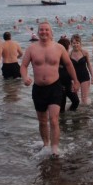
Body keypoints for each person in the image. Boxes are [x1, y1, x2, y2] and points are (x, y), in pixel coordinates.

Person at [20, 22, 80, 158]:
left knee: (53, 120)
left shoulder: (59, 48)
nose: (43, 32)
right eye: (41, 30)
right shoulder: (31, 49)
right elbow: (23, 66)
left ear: (51, 32)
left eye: (46, 30)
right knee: (42, 121)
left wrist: (75, 81)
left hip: (55, 87)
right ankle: (46, 144)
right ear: (38, 32)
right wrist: (25, 77)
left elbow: (69, 65)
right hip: (38, 89)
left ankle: (54, 149)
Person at [70, 34, 93, 105]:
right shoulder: (69, 54)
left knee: (84, 99)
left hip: (85, 77)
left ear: (80, 43)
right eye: (74, 43)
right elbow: (67, 68)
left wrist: (92, 77)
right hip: (74, 78)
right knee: (76, 99)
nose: (75, 45)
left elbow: (89, 65)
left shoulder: (85, 53)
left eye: (77, 43)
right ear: (71, 43)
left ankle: (86, 112)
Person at [58, 37, 80, 112]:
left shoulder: (68, 56)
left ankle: (70, 113)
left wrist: (74, 81)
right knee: (62, 107)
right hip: (60, 85)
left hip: (68, 84)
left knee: (76, 101)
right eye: (69, 45)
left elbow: (71, 70)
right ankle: (62, 121)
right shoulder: (57, 58)